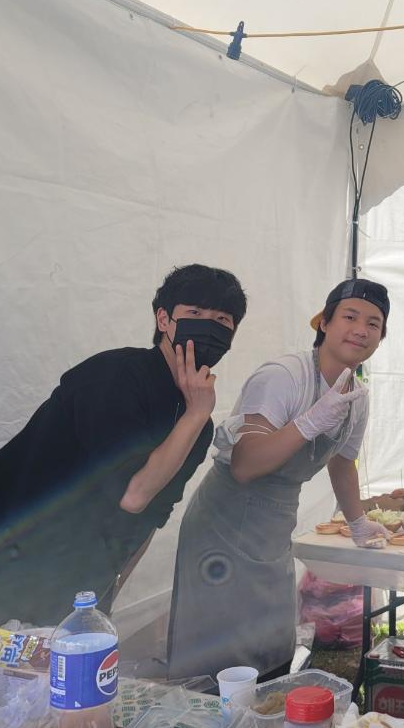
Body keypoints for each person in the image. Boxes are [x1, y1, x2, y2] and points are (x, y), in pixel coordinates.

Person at [0, 264, 247, 626]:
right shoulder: (116, 377)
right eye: (194, 313)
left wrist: (107, 592)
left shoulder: (197, 424)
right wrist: (195, 415)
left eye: (222, 319)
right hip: (11, 552)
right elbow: (134, 495)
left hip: (74, 574)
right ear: (163, 319)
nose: (209, 326)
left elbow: (148, 518)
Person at [166, 278, 392, 679]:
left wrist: (357, 521)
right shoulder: (285, 376)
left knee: (270, 647)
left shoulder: (356, 394)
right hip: (224, 522)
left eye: (373, 323)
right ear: (323, 322)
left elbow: (342, 463)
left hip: (274, 523)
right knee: (218, 655)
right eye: (350, 317)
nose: (361, 329)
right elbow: (245, 464)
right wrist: (308, 422)